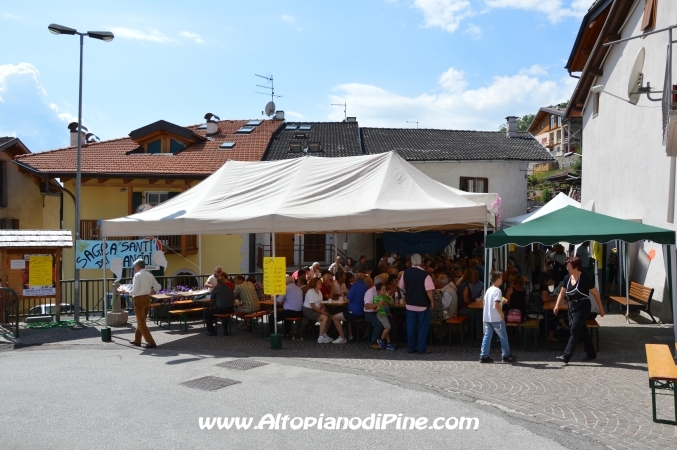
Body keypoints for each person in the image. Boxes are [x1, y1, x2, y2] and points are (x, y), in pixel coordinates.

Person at [553, 256, 605, 364]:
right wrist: (557, 305)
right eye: (567, 266)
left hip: (583, 307)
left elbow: (595, 293)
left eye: (569, 266)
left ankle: (566, 356)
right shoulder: (567, 278)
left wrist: (601, 308)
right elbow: (562, 293)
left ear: (576, 267)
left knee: (574, 330)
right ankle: (591, 353)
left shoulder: (585, 279)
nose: (567, 268)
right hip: (572, 307)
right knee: (582, 330)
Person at [399, 253, 435, 354]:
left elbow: (401, 286)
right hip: (422, 304)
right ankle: (422, 348)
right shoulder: (425, 274)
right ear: (420, 262)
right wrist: (432, 302)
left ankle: (411, 347)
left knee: (410, 327)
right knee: (423, 327)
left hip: (410, 304)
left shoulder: (405, 273)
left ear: (411, 261)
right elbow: (429, 291)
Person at [479, 271, 517, 363]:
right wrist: (502, 313)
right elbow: (496, 304)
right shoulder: (497, 290)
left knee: (487, 335)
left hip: (487, 317)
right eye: (501, 278)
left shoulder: (488, 290)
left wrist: (500, 303)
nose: (502, 279)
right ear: (497, 279)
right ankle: (506, 355)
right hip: (496, 317)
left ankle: (483, 355)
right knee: (503, 336)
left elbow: (485, 302)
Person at [128, 259, 161, 348]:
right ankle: (137, 340)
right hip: (147, 298)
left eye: (135, 266)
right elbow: (158, 286)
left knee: (141, 322)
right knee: (141, 321)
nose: (135, 268)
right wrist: (152, 290)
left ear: (138, 266)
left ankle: (151, 342)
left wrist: (127, 291)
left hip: (139, 299)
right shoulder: (150, 275)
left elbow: (135, 290)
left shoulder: (137, 275)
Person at [332, 271, 369, 343]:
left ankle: (342, 337)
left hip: (354, 312)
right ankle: (350, 335)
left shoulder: (354, 286)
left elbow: (348, 298)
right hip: (364, 311)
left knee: (334, 317)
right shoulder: (366, 286)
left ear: (355, 278)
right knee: (346, 314)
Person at [303, 277, 333, 343]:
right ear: (314, 284)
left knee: (330, 316)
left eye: (320, 283)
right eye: (319, 283)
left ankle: (324, 334)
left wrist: (325, 311)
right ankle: (320, 337)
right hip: (308, 310)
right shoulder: (310, 292)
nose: (321, 284)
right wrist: (324, 313)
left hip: (316, 309)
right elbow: (313, 306)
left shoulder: (319, 291)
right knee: (324, 317)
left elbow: (321, 303)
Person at [364, 274, 387, 349]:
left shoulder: (382, 291)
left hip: (379, 312)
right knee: (379, 324)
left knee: (392, 321)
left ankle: (391, 341)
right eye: (383, 283)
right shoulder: (370, 292)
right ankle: (373, 342)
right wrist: (377, 304)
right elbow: (367, 306)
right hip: (370, 313)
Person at [373, 282, 396, 350]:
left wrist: (390, 297)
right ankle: (381, 340)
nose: (385, 291)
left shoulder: (386, 298)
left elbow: (392, 303)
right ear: (378, 291)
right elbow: (375, 308)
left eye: (385, 289)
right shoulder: (377, 298)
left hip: (386, 314)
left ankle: (388, 343)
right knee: (388, 327)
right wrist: (378, 306)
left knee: (386, 328)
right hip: (381, 314)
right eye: (383, 289)